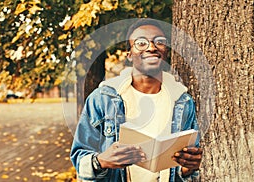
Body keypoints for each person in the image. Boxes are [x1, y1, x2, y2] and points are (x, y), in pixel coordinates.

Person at [70, 18, 203, 182]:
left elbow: (188, 171)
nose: (152, 47)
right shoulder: (102, 99)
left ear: (166, 51)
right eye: (141, 43)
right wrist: (102, 161)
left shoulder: (183, 102)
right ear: (129, 55)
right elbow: (79, 157)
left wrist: (188, 169)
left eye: (159, 42)